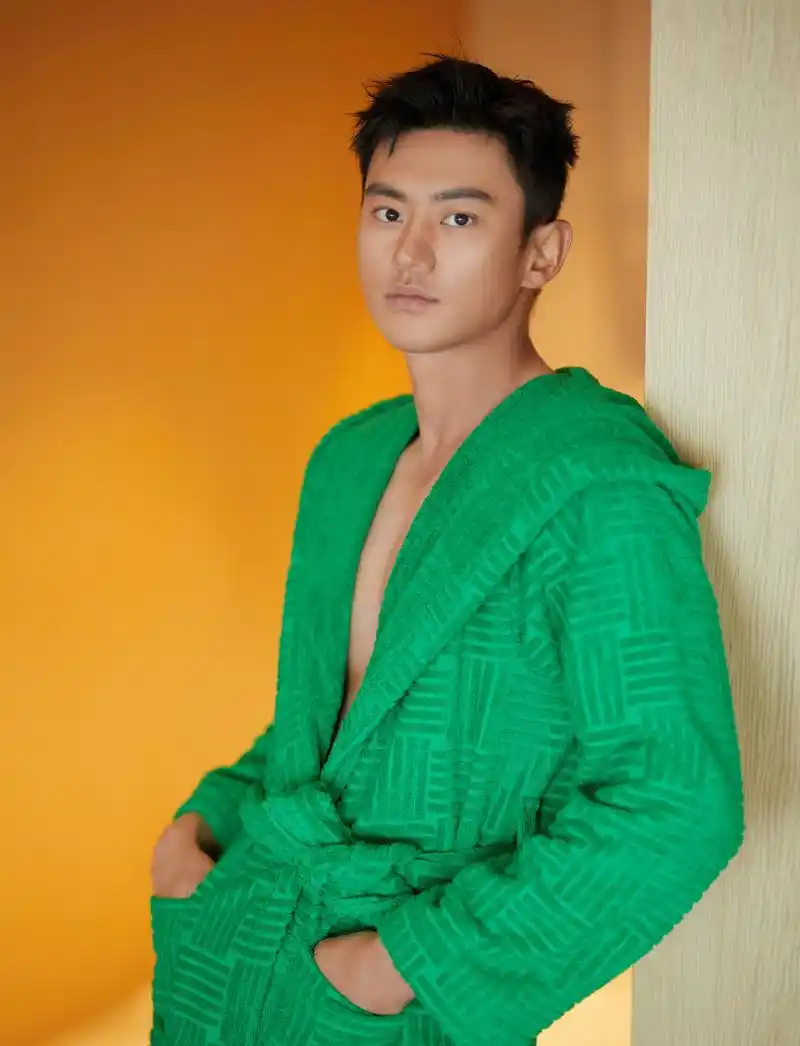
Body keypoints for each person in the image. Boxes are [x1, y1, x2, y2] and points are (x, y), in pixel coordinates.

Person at [149, 54, 744, 1046]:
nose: (410, 254)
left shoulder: (597, 484)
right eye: (387, 212)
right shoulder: (348, 459)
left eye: (459, 219)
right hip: (232, 943)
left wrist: (399, 967)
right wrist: (202, 827)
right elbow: (329, 722)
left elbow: (673, 799)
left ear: (541, 252)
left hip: (388, 982)